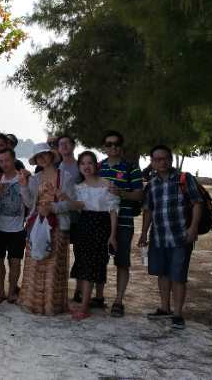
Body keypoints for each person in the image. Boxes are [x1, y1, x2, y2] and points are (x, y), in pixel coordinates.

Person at [139, 145, 203, 330]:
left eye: (165, 158)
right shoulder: (152, 184)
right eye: (157, 159)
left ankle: (178, 314)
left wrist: (193, 228)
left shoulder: (184, 178)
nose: (162, 162)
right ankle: (164, 308)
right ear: (152, 162)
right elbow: (148, 210)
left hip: (181, 237)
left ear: (171, 159)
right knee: (162, 273)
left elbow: (197, 203)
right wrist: (144, 233)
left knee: (178, 276)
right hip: (159, 237)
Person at [18, 143, 77, 315]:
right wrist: (23, 186)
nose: (42, 158)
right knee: (35, 264)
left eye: (44, 154)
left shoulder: (65, 177)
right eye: (38, 157)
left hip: (58, 226)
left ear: (51, 156)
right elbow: (30, 203)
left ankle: (51, 306)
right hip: (37, 224)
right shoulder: (35, 178)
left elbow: (71, 203)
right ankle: (33, 304)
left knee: (53, 266)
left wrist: (52, 208)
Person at [98, 130, 144, 318]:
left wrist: (121, 193)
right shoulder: (98, 167)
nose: (113, 147)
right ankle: (98, 297)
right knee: (99, 260)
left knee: (122, 262)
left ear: (121, 147)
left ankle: (118, 301)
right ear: (103, 147)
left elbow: (139, 194)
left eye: (116, 144)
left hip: (124, 222)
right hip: (100, 222)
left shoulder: (131, 168)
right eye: (109, 144)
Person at [69, 151, 119, 320]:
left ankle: (85, 307)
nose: (86, 166)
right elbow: (79, 206)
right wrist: (66, 199)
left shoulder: (107, 185)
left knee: (93, 265)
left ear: (96, 165)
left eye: (89, 163)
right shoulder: (79, 187)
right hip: (84, 226)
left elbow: (113, 211)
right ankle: (85, 303)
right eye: (83, 163)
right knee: (83, 264)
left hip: (101, 226)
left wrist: (112, 235)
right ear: (79, 167)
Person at [0, 148, 26, 304]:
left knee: (15, 261)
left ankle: (12, 292)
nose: (4, 164)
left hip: (17, 228)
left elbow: (30, 200)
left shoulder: (23, 177)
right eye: (1, 161)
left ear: (14, 159)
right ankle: (1, 292)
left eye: (7, 160)